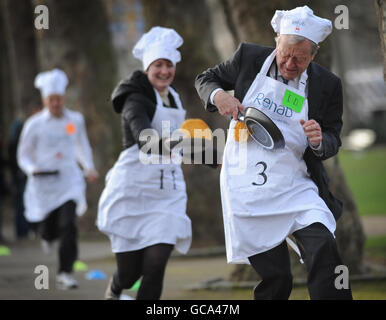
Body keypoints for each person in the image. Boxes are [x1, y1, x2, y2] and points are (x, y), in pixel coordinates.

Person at [195, 6, 353, 300]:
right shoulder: (248, 58)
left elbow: (333, 136)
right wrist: (220, 96)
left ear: (314, 55)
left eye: (300, 59)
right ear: (277, 41)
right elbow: (205, 80)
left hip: (296, 185)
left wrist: (319, 140)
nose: (290, 64)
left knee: (323, 246)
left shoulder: (327, 85)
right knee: (276, 277)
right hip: (247, 188)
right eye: (285, 55)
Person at [97, 26, 192, 300]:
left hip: (167, 194)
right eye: (158, 65)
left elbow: (184, 143)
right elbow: (144, 138)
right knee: (129, 274)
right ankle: (116, 289)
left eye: (169, 65)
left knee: (156, 263)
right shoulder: (134, 97)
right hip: (133, 190)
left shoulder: (174, 97)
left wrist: (216, 160)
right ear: (148, 67)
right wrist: (180, 142)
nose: (164, 71)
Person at [17, 69, 98, 289]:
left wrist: (88, 167)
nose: (55, 104)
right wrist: (31, 168)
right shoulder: (34, 124)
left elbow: (81, 145)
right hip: (44, 184)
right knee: (50, 228)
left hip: (69, 180)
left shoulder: (74, 121)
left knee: (68, 226)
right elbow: (23, 154)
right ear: (45, 100)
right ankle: (46, 234)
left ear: (64, 99)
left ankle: (66, 272)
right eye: (51, 100)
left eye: (59, 99)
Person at [8, 102, 42, 239]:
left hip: (36, 171)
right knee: (23, 201)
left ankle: (33, 229)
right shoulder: (25, 127)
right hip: (24, 172)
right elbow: (17, 151)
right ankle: (23, 231)